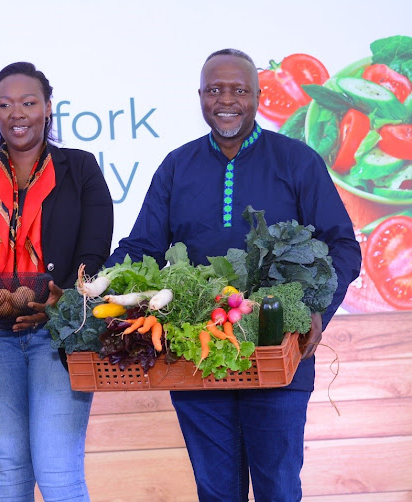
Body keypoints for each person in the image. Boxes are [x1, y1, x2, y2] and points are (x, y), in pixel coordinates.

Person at [106, 49, 362, 501]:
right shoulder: (176, 166)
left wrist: (316, 309)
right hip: (196, 352)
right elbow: (142, 246)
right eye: (215, 90)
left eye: (239, 90)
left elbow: (342, 245)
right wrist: (95, 286)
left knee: (278, 489)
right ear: (200, 96)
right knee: (216, 491)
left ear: (259, 96)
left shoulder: (297, 161)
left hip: (277, 349)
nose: (227, 100)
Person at [0, 62, 113, 501]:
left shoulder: (81, 169)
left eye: (28, 102)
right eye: (5, 104)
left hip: (58, 339)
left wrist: (62, 299)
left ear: (49, 108)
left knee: (58, 473)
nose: (17, 113)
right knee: (7, 476)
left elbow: (94, 256)